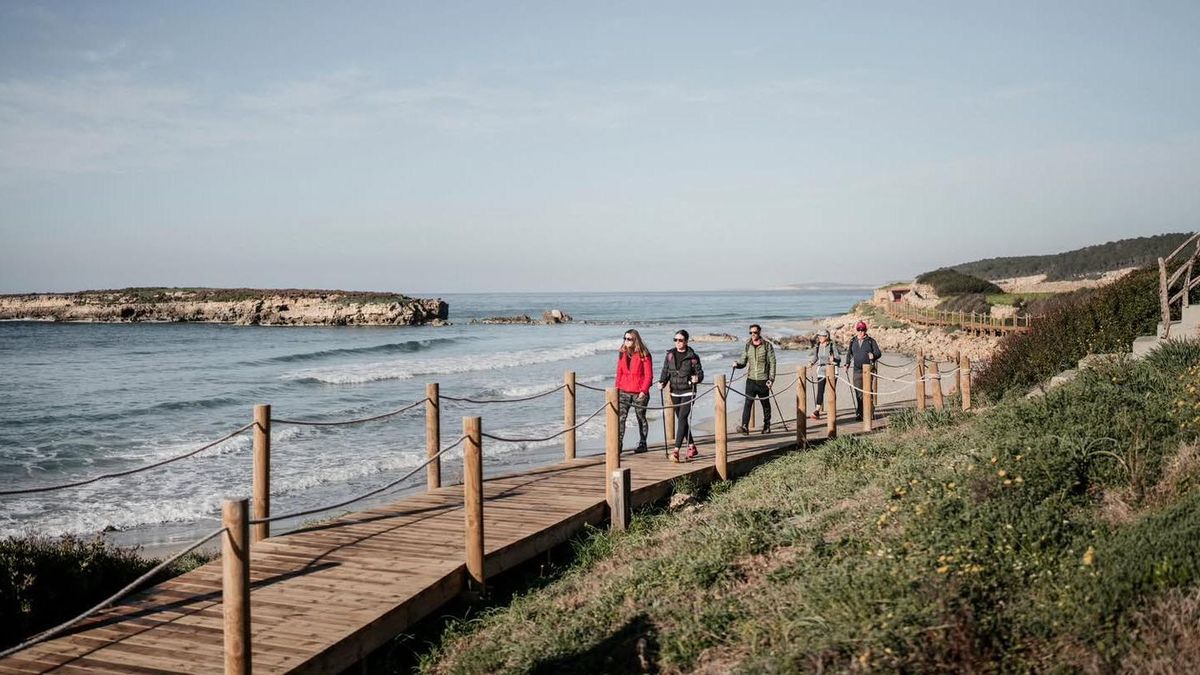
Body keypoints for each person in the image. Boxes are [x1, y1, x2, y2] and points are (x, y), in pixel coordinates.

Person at [659, 329, 704, 462]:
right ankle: (691, 446)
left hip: (688, 390)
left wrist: (698, 378)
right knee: (682, 421)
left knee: (682, 418)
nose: (678, 342)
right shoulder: (670, 355)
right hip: (674, 391)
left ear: (686, 341)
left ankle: (676, 450)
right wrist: (662, 382)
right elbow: (665, 371)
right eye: (675, 340)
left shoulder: (693, 357)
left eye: (680, 340)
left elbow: (700, 373)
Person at [733, 323, 776, 434]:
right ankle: (744, 427)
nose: (753, 334)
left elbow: (772, 363)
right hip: (751, 380)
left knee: (765, 404)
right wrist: (737, 365)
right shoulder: (748, 345)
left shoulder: (767, 346)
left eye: (755, 332)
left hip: (763, 380)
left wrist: (771, 379)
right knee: (748, 403)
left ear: (759, 332)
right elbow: (743, 361)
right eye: (751, 332)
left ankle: (767, 426)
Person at [615, 329, 653, 453]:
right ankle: (618, 445)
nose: (626, 341)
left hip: (639, 392)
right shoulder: (622, 352)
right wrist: (617, 388)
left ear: (635, 340)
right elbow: (619, 372)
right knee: (621, 418)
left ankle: (643, 444)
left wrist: (644, 390)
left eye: (629, 339)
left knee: (640, 417)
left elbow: (649, 375)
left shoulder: (644, 354)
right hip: (624, 391)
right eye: (625, 338)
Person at [843, 321, 882, 421]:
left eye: (862, 330)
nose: (861, 332)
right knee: (858, 393)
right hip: (856, 370)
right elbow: (849, 354)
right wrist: (847, 364)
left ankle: (870, 412)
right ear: (856, 330)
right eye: (859, 330)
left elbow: (878, 353)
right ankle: (860, 413)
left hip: (868, 369)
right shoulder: (853, 341)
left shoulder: (870, 341)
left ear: (865, 330)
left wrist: (873, 355)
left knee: (868, 392)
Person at [807, 329, 841, 420]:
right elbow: (816, 357)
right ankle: (817, 411)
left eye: (821, 336)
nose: (819, 337)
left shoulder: (832, 345)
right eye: (819, 336)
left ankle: (832, 410)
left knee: (831, 391)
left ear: (826, 337)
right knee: (820, 390)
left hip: (832, 370)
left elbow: (838, 358)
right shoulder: (818, 345)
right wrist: (811, 363)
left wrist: (833, 360)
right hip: (821, 370)